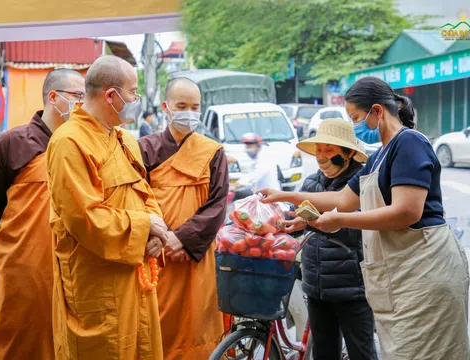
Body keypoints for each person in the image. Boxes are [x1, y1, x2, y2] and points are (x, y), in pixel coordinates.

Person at [260, 76, 469, 359]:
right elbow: (343, 200)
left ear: (377, 111)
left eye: (356, 117)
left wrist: (341, 221)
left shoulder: (409, 143)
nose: (356, 126)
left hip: (426, 272)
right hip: (401, 273)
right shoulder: (379, 155)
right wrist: (286, 196)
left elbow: (407, 211)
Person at [46, 55, 167, 359]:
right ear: (111, 96)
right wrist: (144, 228)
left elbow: (144, 191)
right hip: (96, 281)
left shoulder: (125, 139)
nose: (137, 100)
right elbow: (83, 217)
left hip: (133, 273)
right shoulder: (69, 142)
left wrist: (156, 231)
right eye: (133, 92)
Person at [0, 69, 85, 359]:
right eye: (77, 96)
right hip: (24, 266)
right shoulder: (12, 143)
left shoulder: (83, 144)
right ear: (53, 97)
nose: (83, 104)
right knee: (22, 336)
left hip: (74, 267)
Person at [138, 77, 229, 359]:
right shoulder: (144, 148)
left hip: (195, 255)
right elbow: (135, 196)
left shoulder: (213, 151)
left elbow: (217, 204)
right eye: (181, 105)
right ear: (166, 107)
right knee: (156, 323)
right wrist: (159, 236)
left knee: (197, 322)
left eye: (195, 106)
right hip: (156, 252)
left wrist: (183, 237)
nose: (189, 112)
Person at [284, 118, 376, 359]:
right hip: (316, 287)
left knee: (361, 352)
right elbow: (296, 221)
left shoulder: (361, 185)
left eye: (329, 150)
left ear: (348, 154)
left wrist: (321, 221)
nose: (322, 156)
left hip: (352, 289)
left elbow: (361, 226)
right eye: (319, 150)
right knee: (323, 352)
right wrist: (278, 222)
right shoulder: (311, 183)